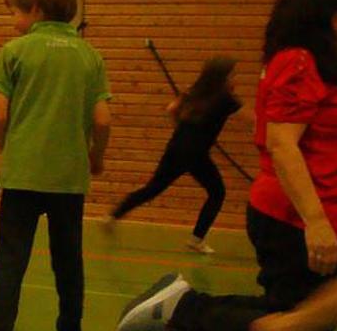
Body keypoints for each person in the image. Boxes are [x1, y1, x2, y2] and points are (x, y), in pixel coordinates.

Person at [117, 0, 337, 331]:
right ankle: (182, 312)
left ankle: (182, 304)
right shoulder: (298, 62)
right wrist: (316, 222)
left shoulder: (316, 63)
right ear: (321, 12)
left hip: (317, 212)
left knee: (298, 317)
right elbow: (283, 144)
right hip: (292, 215)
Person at [0, 0, 113, 331]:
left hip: (22, 177)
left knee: (10, 261)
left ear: (35, 9)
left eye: (15, 12)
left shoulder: (14, 52)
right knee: (68, 259)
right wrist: (96, 157)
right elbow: (102, 119)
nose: (13, 21)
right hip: (68, 179)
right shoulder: (89, 56)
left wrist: (9, 154)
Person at [106, 56, 250, 254]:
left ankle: (113, 215)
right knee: (217, 192)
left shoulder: (195, 91)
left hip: (176, 146)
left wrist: (184, 128)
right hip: (196, 153)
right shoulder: (225, 97)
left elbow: (171, 109)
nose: (235, 78)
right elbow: (252, 119)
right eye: (233, 74)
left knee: (153, 188)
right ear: (223, 76)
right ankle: (196, 239)